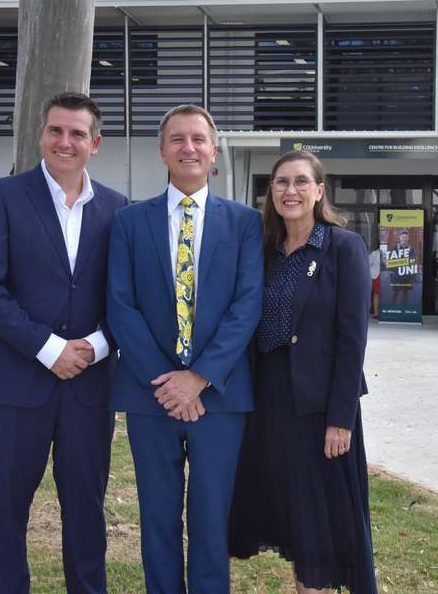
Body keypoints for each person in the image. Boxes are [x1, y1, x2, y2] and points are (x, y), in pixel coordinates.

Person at [0, 91, 128, 594]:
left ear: (94, 143)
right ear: (41, 135)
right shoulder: (2, 196)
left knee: (86, 509)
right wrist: (49, 348)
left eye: (77, 133)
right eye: (56, 130)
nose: (65, 141)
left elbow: (128, 296)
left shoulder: (119, 209)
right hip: (13, 386)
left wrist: (97, 347)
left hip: (89, 388)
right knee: (8, 510)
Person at [106, 104, 263, 593]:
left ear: (213, 152)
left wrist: (198, 378)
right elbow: (120, 306)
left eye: (198, 139)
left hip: (220, 396)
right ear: (162, 151)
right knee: (157, 517)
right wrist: (167, 383)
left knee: (212, 519)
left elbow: (246, 306)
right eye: (178, 139)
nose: (188, 147)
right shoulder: (130, 221)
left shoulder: (245, 224)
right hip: (149, 396)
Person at [228, 150, 378, 594]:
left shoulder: (342, 247)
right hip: (267, 405)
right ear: (270, 191)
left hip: (318, 410)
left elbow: (353, 342)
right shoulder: (264, 250)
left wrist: (340, 419)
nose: (289, 191)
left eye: (299, 182)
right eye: (280, 182)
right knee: (290, 518)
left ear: (319, 191)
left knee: (319, 528)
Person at [368, 242, 381, 319]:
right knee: (376, 294)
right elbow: (367, 263)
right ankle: (376, 313)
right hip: (376, 276)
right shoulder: (375, 253)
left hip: (386, 276)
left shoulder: (390, 252)